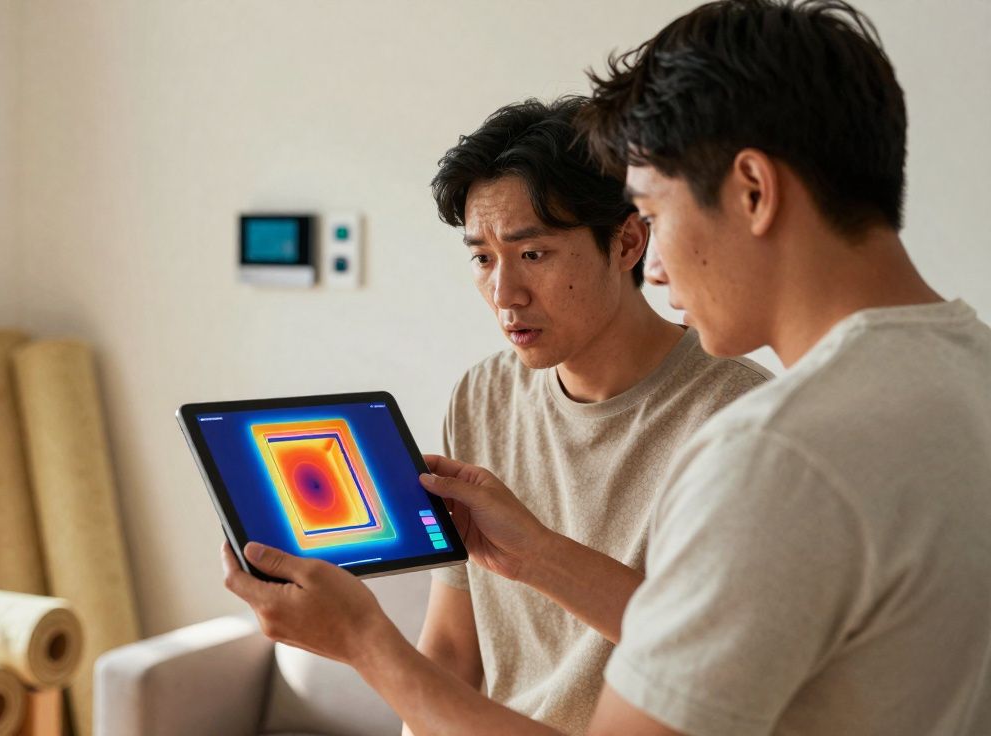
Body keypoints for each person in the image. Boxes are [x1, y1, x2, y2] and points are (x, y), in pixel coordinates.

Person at [223, 1, 991, 734]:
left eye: (654, 216)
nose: (654, 268)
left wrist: (364, 642)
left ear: (753, 191)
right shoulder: (969, 373)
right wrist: (536, 556)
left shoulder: (776, 452)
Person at [412, 96, 768, 735]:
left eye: (534, 254)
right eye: (482, 258)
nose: (505, 295)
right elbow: (451, 648)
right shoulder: (479, 397)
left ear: (628, 241)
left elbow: (716, 662)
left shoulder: (738, 416)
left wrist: (360, 639)